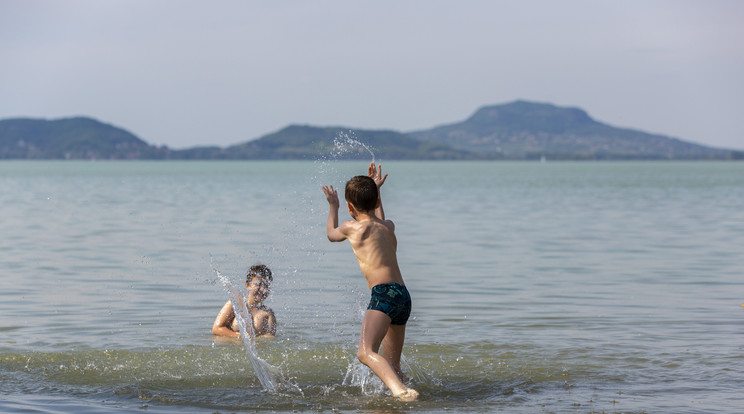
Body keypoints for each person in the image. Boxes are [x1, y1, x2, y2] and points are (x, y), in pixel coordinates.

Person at [321, 163, 419, 402]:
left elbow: (331, 234)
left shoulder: (351, 228)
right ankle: (402, 391)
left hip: (383, 295)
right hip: (403, 296)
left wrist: (333, 207)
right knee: (392, 365)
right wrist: (377, 190)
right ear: (376, 201)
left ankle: (401, 392)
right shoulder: (388, 226)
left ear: (350, 206)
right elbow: (379, 216)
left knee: (365, 353)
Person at [212, 264, 276, 338]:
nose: (262, 289)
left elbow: (270, 338)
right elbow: (216, 329)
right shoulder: (235, 303)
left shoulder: (268, 313)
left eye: (266, 285)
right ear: (248, 285)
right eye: (259, 284)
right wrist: (239, 337)